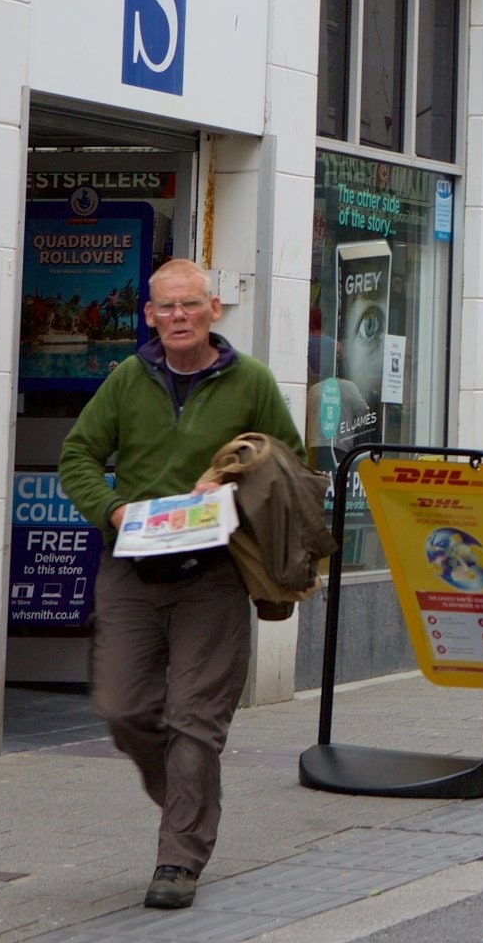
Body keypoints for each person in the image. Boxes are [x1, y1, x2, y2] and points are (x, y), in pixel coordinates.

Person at [56, 259, 304, 911]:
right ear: (149, 314)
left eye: (190, 305)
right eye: (166, 307)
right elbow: (77, 454)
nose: (178, 317)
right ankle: (193, 801)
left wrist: (230, 484)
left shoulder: (249, 382)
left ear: (213, 310)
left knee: (196, 722)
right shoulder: (128, 380)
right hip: (132, 569)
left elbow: (291, 464)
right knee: (122, 709)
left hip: (213, 578)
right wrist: (110, 511)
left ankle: (179, 858)